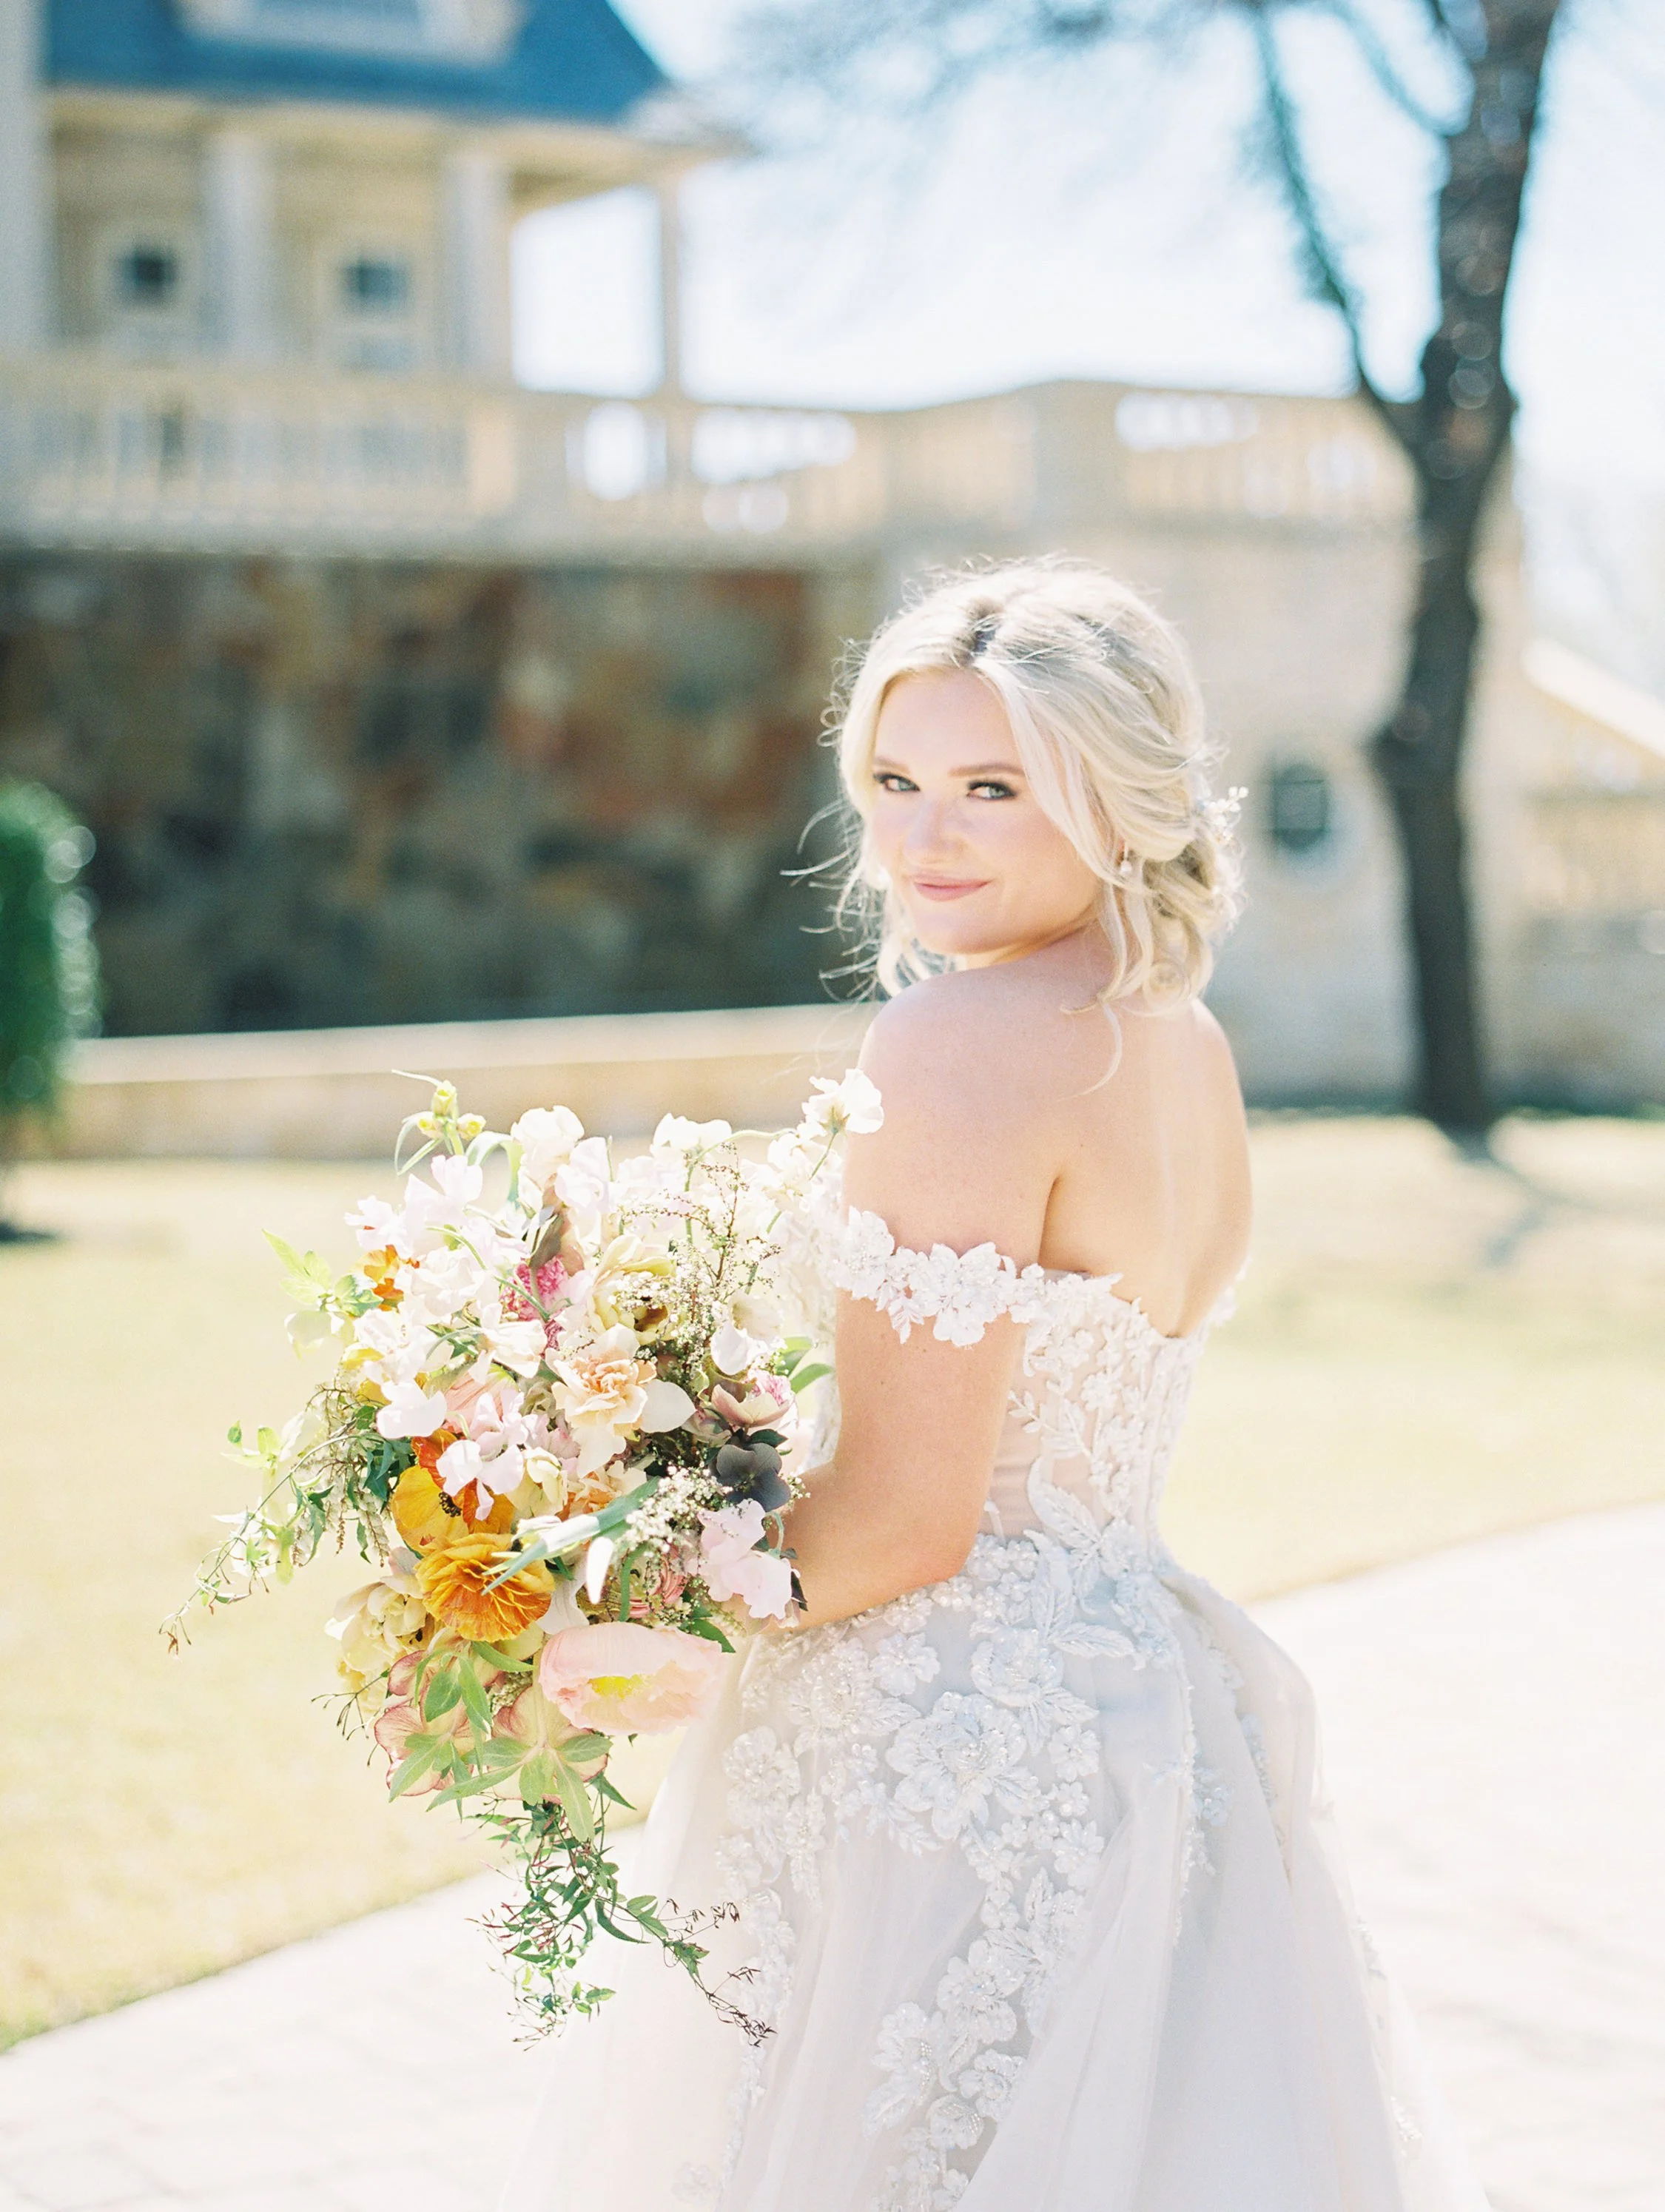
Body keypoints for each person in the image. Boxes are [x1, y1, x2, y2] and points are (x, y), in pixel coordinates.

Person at [501, 561, 1488, 2212]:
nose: (923, 839)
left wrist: (637, 1610)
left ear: (1118, 797)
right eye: (895, 784)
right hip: (1150, 1715)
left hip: (940, 1755)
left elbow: (901, 1522)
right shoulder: (1187, 1047)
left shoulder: (958, 1045)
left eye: (990, 789)